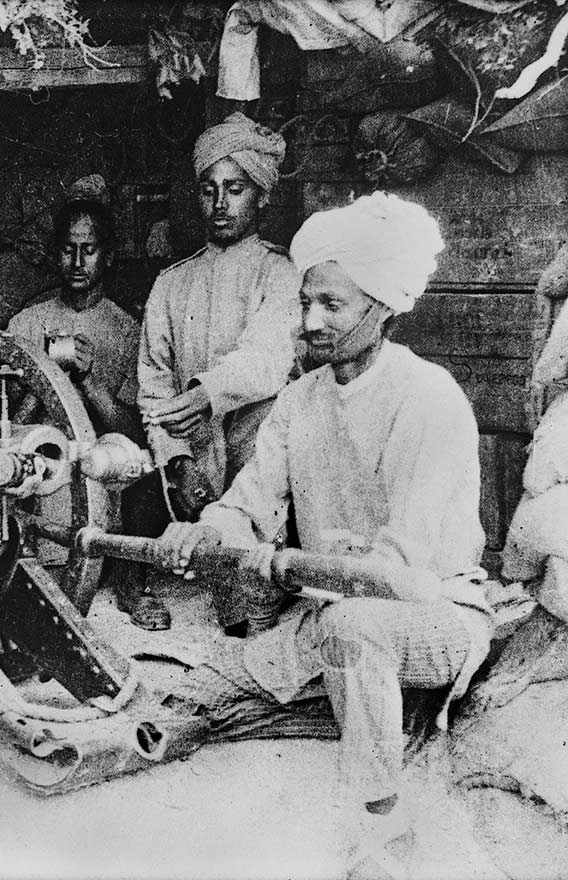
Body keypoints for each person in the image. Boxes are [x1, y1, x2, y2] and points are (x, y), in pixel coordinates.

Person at [158, 193, 495, 878]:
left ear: (384, 308)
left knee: (351, 630)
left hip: (434, 615)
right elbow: (245, 504)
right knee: (199, 696)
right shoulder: (298, 400)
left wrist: (283, 566)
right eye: (305, 303)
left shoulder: (428, 398)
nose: (310, 321)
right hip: (327, 613)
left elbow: (401, 567)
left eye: (332, 306)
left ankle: (380, 835)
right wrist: (206, 533)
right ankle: (373, 711)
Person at [136, 111, 301, 631]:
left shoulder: (281, 273)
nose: (221, 204)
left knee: (261, 596)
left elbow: (267, 359)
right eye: (209, 190)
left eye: (235, 188)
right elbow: (154, 383)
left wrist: (206, 393)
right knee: (208, 592)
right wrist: (177, 462)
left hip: (264, 460)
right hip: (197, 466)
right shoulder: (172, 284)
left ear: (263, 195)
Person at [7, 198, 140, 439]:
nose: (78, 262)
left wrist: (87, 380)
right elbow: (8, 424)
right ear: (56, 254)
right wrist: (45, 373)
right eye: (68, 250)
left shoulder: (128, 332)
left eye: (89, 251)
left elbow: (135, 433)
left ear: (108, 256)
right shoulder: (24, 324)